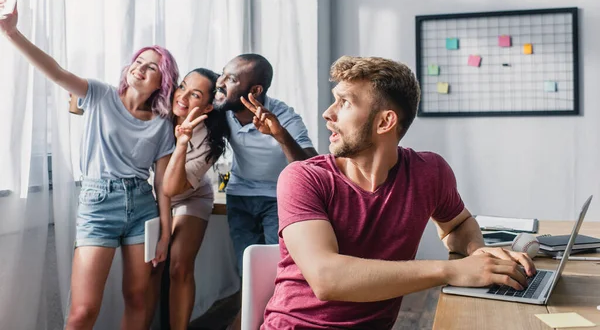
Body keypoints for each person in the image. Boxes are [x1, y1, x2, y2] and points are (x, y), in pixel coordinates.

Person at [262, 56, 537, 329]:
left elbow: (458, 224)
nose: (328, 113)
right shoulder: (303, 178)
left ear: (385, 122)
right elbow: (327, 279)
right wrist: (451, 270)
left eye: (344, 102)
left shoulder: (429, 172)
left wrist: (478, 252)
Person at [0, 0, 178, 330]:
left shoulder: (162, 123)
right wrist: (11, 33)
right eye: (138, 61)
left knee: (139, 300)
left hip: (143, 206)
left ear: (162, 80)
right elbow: (55, 72)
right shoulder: (99, 94)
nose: (140, 68)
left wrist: (166, 234)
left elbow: (163, 186)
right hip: (98, 204)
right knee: (83, 310)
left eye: (151, 66)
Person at [213, 53, 318, 329]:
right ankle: (249, 320)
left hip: (277, 198)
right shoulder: (223, 111)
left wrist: (279, 134)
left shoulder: (283, 115)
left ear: (255, 90)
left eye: (231, 79)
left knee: (280, 270)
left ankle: (265, 321)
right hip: (239, 197)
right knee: (246, 268)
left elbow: (312, 166)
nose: (220, 83)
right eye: (222, 74)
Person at [144, 68, 230, 330]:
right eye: (182, 87)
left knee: (179, 266)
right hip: (149, 197)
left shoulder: (210, 141)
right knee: (151, 269)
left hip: (189, 196)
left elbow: (170, 188)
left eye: (194, 95)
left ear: (206, 107)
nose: (181, 97)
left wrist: (182, 143)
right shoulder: (157, 114)